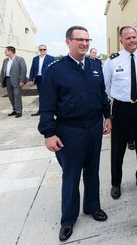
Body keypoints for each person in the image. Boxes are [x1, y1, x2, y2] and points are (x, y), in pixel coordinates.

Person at [38, 26, 111, 242]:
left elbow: (102, 94)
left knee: (92, 171)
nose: (85, 43)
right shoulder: (55, 69)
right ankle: (68, 219)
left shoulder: (95, 65)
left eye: (87, 39)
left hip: (94, 127)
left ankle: (92, 206)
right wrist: (48, 133)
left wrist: (108, 116)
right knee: (71, 175)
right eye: (79, 39)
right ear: (68, 41)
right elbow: (46, 105)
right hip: (69, 130)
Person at [103, 26, 137, 199]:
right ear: (121, 41)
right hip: (120, 107)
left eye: (134, 37)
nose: (132, 40)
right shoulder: (112, 61)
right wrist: (118, 99)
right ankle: (116, 183)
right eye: (128, 38)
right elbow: (106, 86)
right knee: (118, 148)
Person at [0, 46, 27, 118]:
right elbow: (2, 71)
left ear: (11, 51)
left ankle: (19, 112)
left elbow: (23, 70)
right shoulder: (5, 60)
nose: (5, 52)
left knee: (17, 96)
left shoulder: (20, 59)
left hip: (17, 81)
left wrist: (22, 81)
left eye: (6, 51)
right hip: (7, 80)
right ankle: (15, 109)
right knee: (10, 96)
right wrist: (1, 81)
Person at [28, 45, 55, 116]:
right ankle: (41, 110)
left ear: (46, 50)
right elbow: (32, 69)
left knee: (49, 95)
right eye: (41, 49)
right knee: (41, 95)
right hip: (39, 79)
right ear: (38, 50)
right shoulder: (35, 59)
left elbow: (54, 70)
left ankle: (51, 110)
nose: (42, 51)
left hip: (48, 79)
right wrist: (30, 79)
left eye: (44, 49)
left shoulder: (51, 58)